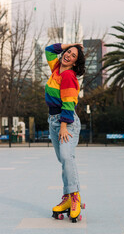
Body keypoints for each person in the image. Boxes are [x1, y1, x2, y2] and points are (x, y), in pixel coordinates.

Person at [45, 43, 85, 222]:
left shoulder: (68, 75)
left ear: (75, 64)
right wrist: (72, 44)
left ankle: (75, 196)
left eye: (73, 55)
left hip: (66, 122)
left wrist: (63, 126)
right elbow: (49, 50)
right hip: (53, 120)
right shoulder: (56, 68)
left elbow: (69, 102)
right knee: (63, 160)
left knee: (67, 158)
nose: (68, 55)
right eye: (68, 52)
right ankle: (67, 198)